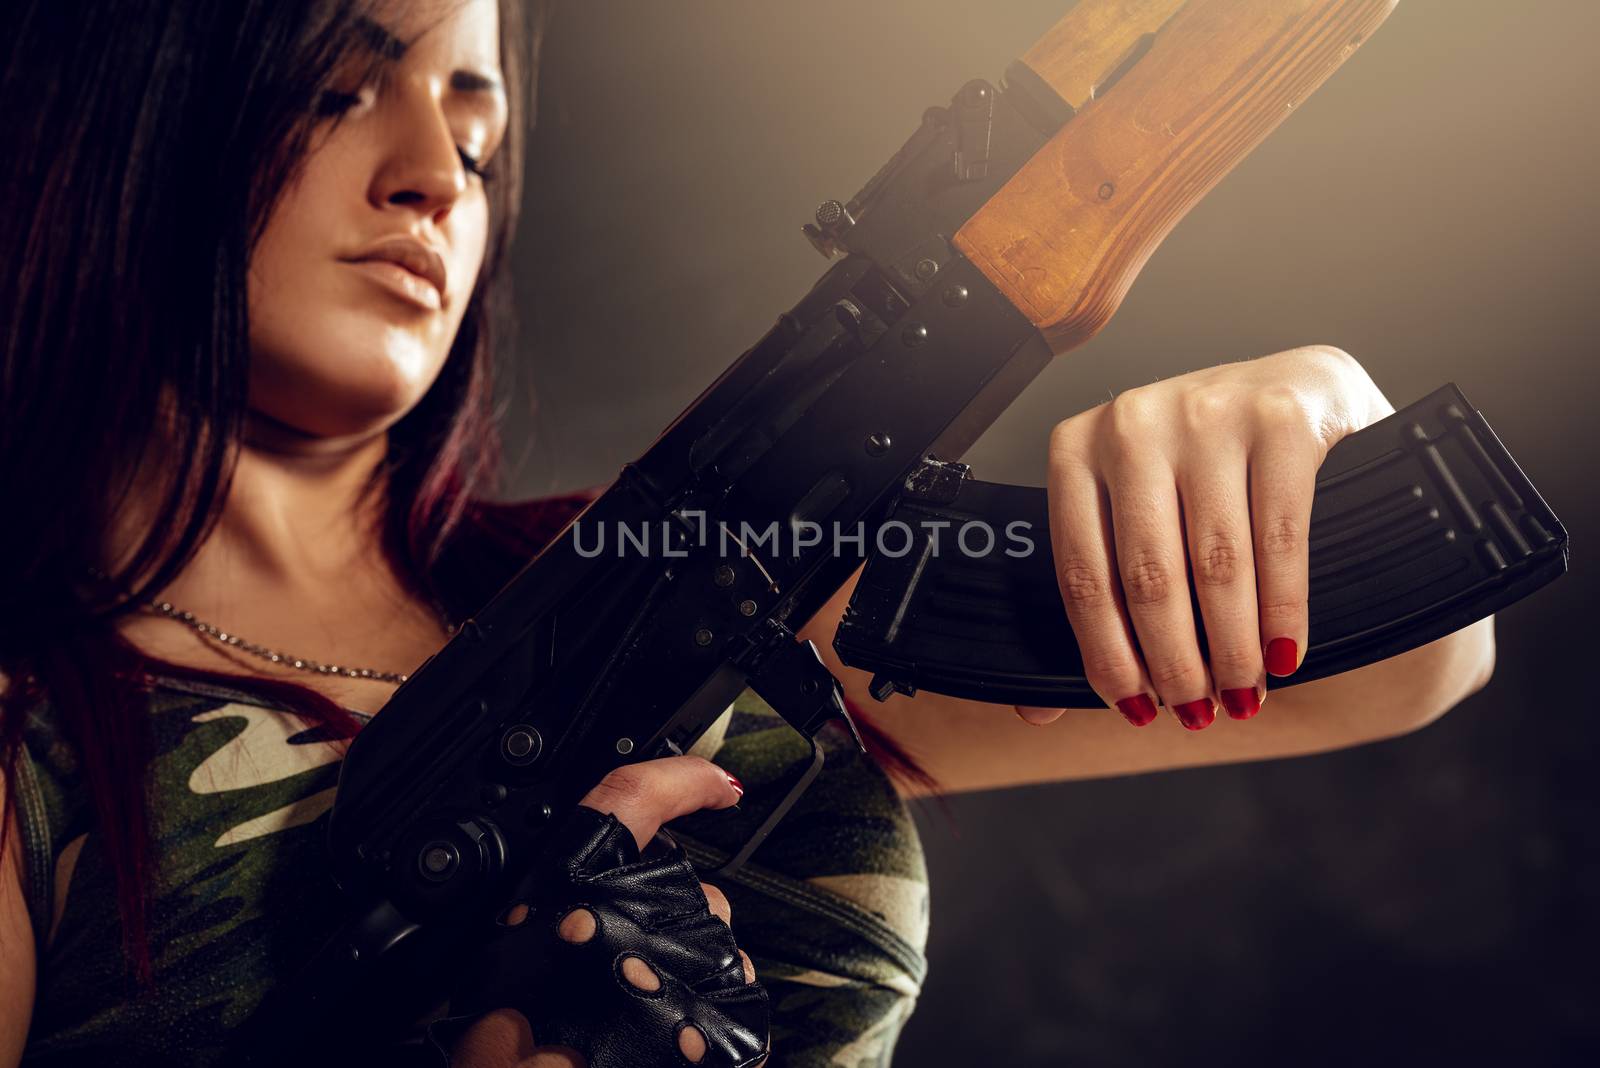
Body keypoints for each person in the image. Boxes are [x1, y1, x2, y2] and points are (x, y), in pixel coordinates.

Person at [0, 0, 1497, 1066]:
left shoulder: (693, 579)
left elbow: (1390, 665)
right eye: (339, 80)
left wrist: (1309, 421)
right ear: (133, 104)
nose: (437, 171)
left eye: (478, 115)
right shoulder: (32, 744)